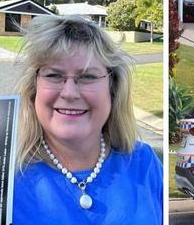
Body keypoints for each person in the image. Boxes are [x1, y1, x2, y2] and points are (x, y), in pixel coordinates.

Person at [13, 15, 163, 224]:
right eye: (54, 75)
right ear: (33, 88)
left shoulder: (143, 162)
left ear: (113, 89)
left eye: (87, 77)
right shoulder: (0, 177)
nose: (69, 93)